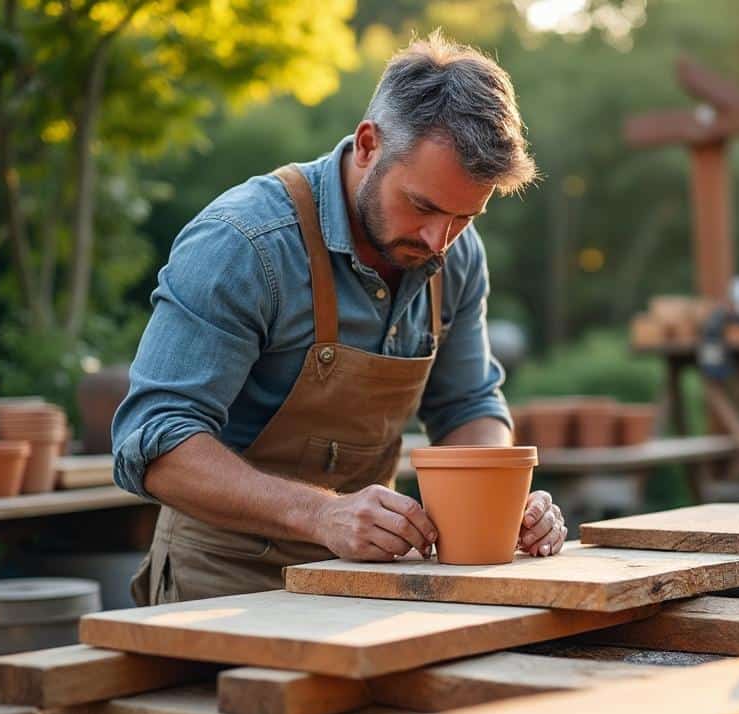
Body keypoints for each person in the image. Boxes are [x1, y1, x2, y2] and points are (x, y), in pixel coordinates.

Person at [113, 32, 565, 608]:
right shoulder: (244, 244)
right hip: (223, 585)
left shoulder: (456, 250)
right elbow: (151, 440)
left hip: (369, 583)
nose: (438, 239)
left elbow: (466, 405)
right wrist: (323, 513)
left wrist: (503, 497)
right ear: (370, 144)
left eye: (464, 216)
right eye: (423, 206)